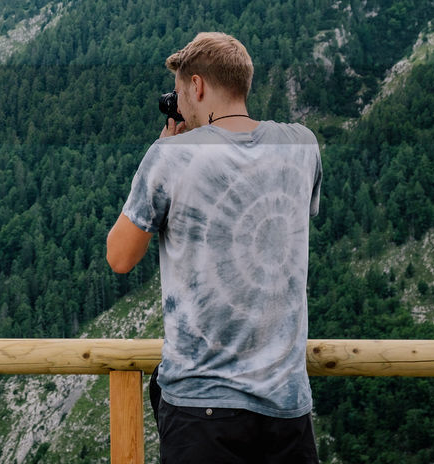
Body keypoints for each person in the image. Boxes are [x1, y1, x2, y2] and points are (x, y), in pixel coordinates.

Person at [106, 32, 321, 464]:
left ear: (198, 86)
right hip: (286, 405)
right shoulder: (302, 144)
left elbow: (120, 256)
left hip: (201, 408)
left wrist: (164, 149)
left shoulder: (171, 156)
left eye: (182, 93)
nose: (180, 105)